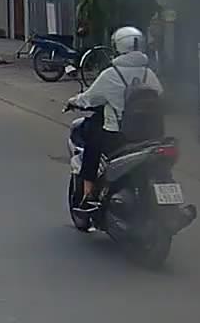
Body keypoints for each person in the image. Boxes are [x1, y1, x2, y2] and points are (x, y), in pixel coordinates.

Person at [66, 25, 164, 213]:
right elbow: (160, 95)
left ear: (118, 46)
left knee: (92, 142)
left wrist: (73, 101)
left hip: (118, 137)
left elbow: (89, 99)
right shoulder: (148, 73)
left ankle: (88, 193)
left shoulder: (111, 74)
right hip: (148, 136)